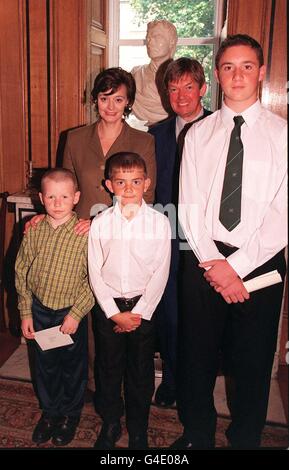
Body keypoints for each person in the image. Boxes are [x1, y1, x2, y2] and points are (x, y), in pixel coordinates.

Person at [172, 34, 287, 449]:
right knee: (196, 357)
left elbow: (282, 215)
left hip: (261, 264)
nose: (237, 75)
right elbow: (189, 207)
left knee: (252, 363)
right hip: (204, 259)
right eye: (228, 67)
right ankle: (197, 433)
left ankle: (245, 437)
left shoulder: (282, 136)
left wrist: (235, 268)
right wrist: (214, 264)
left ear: (261, 73)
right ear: (218, 76)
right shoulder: (198, 135)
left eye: (247, 66)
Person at [27, 67, 156, 396]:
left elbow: (147, 198)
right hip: (76, 238)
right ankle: (74, 385)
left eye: (118, 99)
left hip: (119, 241)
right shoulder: (74, 138)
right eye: (104, 98)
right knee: (75, 313)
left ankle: (107, 387)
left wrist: (101, 222)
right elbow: (61, 187)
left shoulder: (144, 141)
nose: (110, 106)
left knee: (107, 311)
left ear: (128, 103)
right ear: (94, 100)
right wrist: (45, 216)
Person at [88, 152, 171, 450]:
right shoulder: (99, 223)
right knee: (108, 369)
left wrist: (139, 313)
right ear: (109, 185)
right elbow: (94, 270)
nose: (129, 188)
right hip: (108, 309)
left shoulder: (160, 223)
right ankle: (110, 422)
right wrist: (113, 313)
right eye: (121, 182)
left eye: (136, 181)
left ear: (146, 183)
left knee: (140, 372)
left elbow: (161, 272)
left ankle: (139, 429)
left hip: (143, 311)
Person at [15, 168, 95, 446]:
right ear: (41, 198)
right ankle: (50, 413)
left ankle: (70, 415)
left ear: (76, 197)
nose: (58, 202)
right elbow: (22, 270)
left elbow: (94, 279)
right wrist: (25, 312)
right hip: (40, 310)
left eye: (64, 196)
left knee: (73, 367)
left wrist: (76, 314)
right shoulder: (33, 230)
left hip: (69, 313)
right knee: (45, 367)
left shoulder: (86, 234)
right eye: (51, 197)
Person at [149, 57, 212, 408]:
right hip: (167, 239)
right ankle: (171, 379)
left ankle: (197, 384)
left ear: (203, 89)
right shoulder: (155, 135)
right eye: (173, 88)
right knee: (170, 315)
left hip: (207, 241)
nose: (181, 95)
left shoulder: (220, 129)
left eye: (189, 87)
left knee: (202, 318)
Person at [131, 20, 178, 126]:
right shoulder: (136, 75)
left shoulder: (183, 78)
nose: (150, 42)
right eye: (148, 37)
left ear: (171, 42)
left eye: (157, 37)